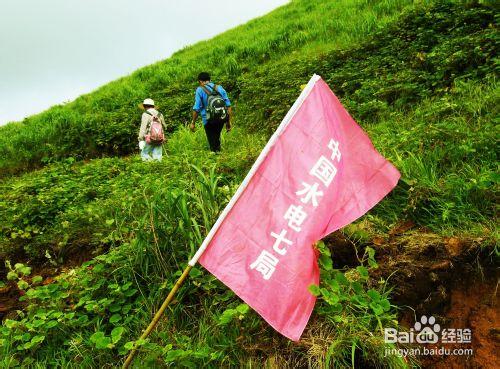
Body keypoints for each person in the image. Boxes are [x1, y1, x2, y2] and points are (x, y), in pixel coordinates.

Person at [190, 72, 232, 152]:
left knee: (212, 142)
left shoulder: (200, 90)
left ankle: (216, 157)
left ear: (200, 81)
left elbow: (196, 108)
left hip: (208, 120)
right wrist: (228, 122)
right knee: (216, 138)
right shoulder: (219, 88)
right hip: (221, 118)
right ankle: (219, 155)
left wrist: (193, 122)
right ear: (210, 79)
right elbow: (228, 105)